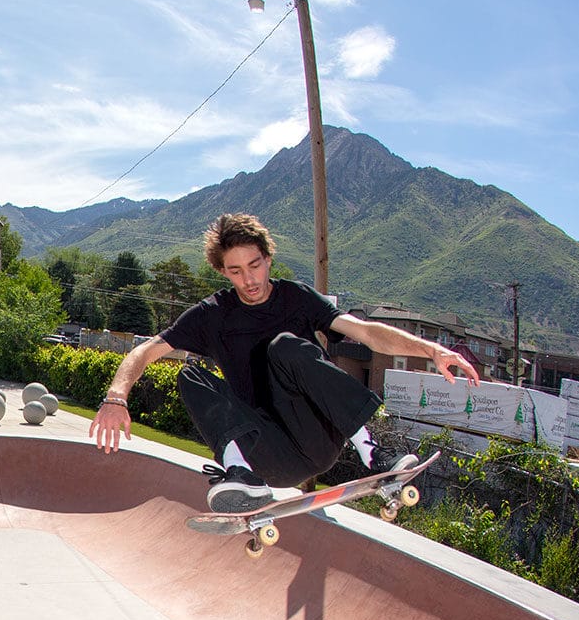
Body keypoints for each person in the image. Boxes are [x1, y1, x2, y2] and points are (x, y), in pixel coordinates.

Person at [90, 212, 481, 512]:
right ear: (222, 272)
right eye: (236, 271)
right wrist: (116, 396)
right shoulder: (212, 314)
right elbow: (147, 350)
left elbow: (365, 332)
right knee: (192, 376)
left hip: (318, 434)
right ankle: (240, 474)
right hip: (269, 455)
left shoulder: (297, 298)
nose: (249, 280)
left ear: (268, 258)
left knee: (284, 347)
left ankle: (374, 453)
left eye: (255, 265)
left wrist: (431, 350)